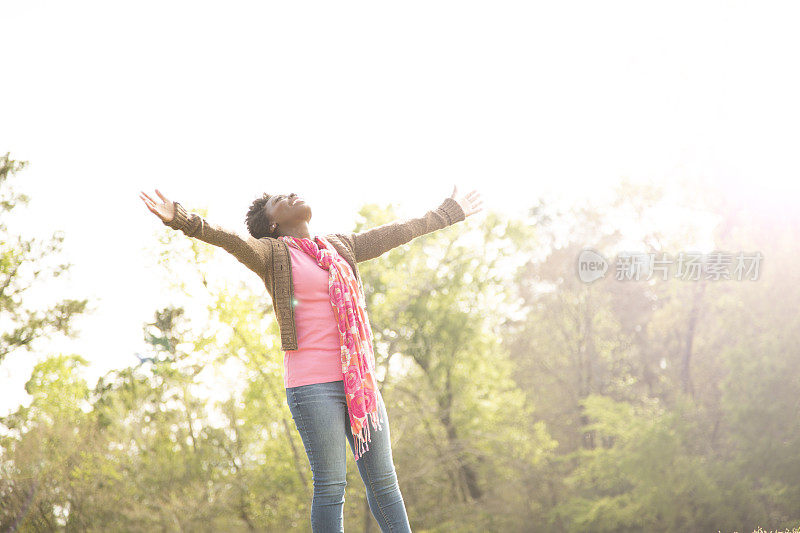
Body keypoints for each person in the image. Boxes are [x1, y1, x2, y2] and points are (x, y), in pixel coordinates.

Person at [139, 186, 483, 532]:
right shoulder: (270, 253)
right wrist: (181, 218)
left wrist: (447, 213)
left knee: (384, 482)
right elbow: (227, 238)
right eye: (278, 200)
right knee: (332, 486)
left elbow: (397, 232)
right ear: (272, 224)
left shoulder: (340, 247)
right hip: (312, 386)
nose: (290, 194)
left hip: (359, 383)